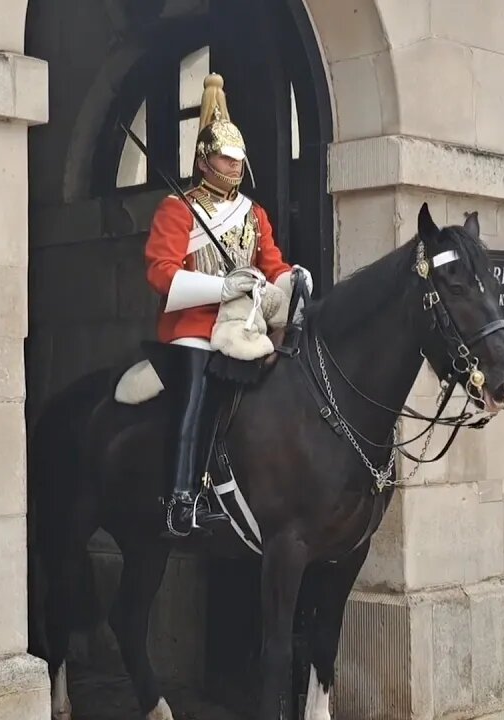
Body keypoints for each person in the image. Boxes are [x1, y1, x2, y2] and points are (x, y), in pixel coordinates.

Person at [144, 73, 312, 538]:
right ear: (204, 160)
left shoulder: (254, 214)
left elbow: (271, 263)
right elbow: (161, 273)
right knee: (195, 398)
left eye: (238, 158)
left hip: (246, 326)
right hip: (194, 327)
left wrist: (291, 280)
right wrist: (222, 288)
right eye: (224, 157)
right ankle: (181, 498)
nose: (234, 166)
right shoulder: (177, 209)